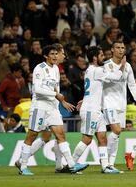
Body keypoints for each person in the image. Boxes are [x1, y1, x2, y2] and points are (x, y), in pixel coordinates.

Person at [16, 45, 86, 175]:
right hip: (40, 107)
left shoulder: (56, 69)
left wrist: (62, 101)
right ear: (46, 56)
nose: (55, 56)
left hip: (53, 108)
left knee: (60, 135)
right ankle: (23, 166)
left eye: (56, 54)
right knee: (32, 135)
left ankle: (71, 164)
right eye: (52, 54)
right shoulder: (39, 68)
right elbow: (37, 89)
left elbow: (55, 89)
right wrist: (56, 95)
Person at [72, 46, 126, 174]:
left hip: (96, 109)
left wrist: (84, 100)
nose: (104, 57)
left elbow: (94, 90)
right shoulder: (97, 70)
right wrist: (122, 65)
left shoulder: (91, 70)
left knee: (102, 138)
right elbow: (117, 76)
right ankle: (70, 163)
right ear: (95, 58)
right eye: (101, 55)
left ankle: (105, 166)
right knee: (87, 138)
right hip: (91, 110)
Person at [102, 41, 136, 170]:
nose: (120, 50)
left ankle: (110, 164)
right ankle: (105, 161)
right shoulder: (106, 65)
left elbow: (131, 84)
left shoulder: (128, 66)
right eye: (118, 47)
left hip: (121, 104)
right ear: (112, 50)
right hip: (109, 102)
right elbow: (108, 80)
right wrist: (121, 67)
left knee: (118, 134)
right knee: (116, 130)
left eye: (123, 48)